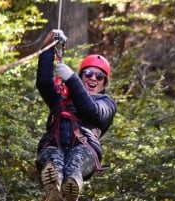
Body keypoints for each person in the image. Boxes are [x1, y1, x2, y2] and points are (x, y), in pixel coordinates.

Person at [35, 30, 117, 201]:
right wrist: (49, 45)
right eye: (88, 74)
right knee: (54, 159)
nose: (93, 78)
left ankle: (72, 185)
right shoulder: (61, 98)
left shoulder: (107, 103)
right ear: (82, 76)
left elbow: (91, 111)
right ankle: (54, 188)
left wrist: (72, 79)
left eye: (99, 76)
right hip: (53, 144)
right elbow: (43, 83)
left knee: (75, 162)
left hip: (86, 150)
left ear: (104, 82)